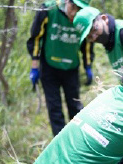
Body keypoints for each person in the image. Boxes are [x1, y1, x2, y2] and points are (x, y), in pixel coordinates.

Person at [27, 0, 95, 136]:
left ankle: (78, 139)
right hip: (49, 66)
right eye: (73, 7)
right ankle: (60, 141)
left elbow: (87, 44)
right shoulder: (48, 10)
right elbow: (36, 38)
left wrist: (88, 66)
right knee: (54, 108)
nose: (74, 13)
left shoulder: (86, 17)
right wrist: (34, 67)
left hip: (71, 67)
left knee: (74, 106)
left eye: (79, 9)